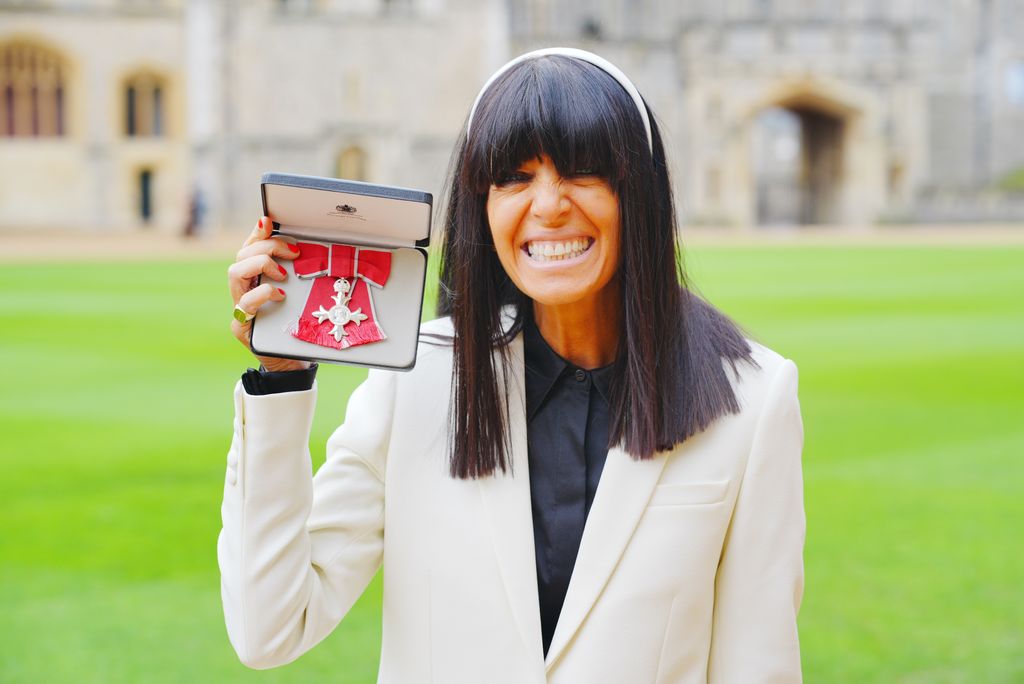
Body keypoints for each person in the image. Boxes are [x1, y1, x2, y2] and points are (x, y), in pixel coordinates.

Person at [221, 48, 805, 683]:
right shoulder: (415, 381)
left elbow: (759, 663)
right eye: (515, 178)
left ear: (639, 192)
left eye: (584, 172)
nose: (548, 205)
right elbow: (270, 627)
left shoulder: (752, 396)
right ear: (483, 206)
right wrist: (280, 377)